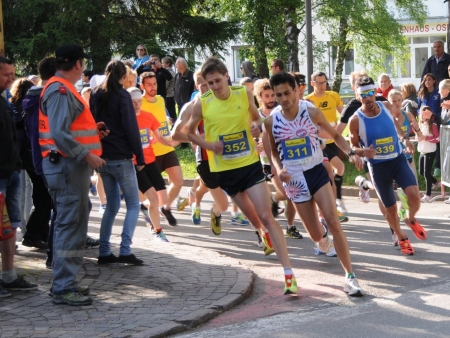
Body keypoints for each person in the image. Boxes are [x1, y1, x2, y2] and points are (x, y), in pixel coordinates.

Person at [188, 57, 297, 295]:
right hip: (225, 170)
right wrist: (209, 145)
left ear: (227, 76)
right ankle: (262, 234)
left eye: (217, 80)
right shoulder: (201, 102)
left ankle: (288, 273)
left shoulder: (242, 94)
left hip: (249, 163)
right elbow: (188, 133)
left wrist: (257, 127)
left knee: (266, 216)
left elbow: (257, 118)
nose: (215, 86)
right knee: (257, 222)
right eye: (210, 82)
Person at [266, 71, 364, 296]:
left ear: (297, 90)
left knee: (333, 221)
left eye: (287, 93)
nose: (284, 99)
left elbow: (336, 136)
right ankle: (322, 241)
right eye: (278, 95)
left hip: (317, 171)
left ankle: (350, 277)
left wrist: (350, 153)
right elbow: (272, 151)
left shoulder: (311, 112)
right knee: (315, 234)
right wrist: (279, 168)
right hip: (295, 181)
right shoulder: (272, 121)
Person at [39, 44, 105, 305]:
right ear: (78, 64)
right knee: (69, 224)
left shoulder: (61, 88)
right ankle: (63, 286)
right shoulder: (61, 89)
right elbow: (59, 133)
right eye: (83, 64)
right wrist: (87, 155)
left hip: (68, 167)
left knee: (75, 222)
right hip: (66, 168)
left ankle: (68, 282)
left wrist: (93, 133)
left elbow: (68, 130)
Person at [348, 75, 427, 255]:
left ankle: (411, 218)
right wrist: (362, 153)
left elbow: (396, 127)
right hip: (378, 166)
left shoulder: (385, 106)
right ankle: (401, 237)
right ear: (358, 96)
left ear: (375, 92)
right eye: (363, 95)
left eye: (370, 93)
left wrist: (405, 140)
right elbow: (353, 146)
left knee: (414, 195)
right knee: (389, 208)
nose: (368, 98)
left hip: (397, 160)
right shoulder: (356, 119)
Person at [90, 60, 145, 266]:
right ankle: (125, 249)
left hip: (102, 156)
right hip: (121, 156)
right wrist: (139, 156)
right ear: (123, 77)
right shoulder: (122, 96)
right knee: (132, 204)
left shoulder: (96, 93)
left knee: (111, 205)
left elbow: (92, 123)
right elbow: (131, 128)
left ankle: (104, 251)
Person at [0, 56, 38, 298]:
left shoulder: (4, 101)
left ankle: (9, 275)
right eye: (6, 74)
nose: (11, 77)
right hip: (1, 175)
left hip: (11, 172)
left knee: (10, 227)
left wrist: (15, 166)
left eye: (12, 73)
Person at [127, 87, 177, 241]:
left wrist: (170, 142)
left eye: (138, 102)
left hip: (150, 161)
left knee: (160, 199)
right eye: (133, 102)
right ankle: (158, 231)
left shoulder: (148, 117)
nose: (136, 105)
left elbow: (159, 137)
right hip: (136, 165)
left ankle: (147, 211)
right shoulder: (125, 119)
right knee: (154, 198)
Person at [139, 71, 186, 215]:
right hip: (150, 152)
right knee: (150, 190)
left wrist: (167, 119)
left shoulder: (160, 99)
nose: (153, 87)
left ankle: (164, 207)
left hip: (167, 147)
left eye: (154, 84)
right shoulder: (139, 103)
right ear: (142, 86)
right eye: (149, 85)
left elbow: (159, 115)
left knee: (178, 182)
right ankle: (148, 205)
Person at [305, 71, 347, 216]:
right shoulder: (308, 100)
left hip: (333, 140)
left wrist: (346, 123)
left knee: (340, 170)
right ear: (312, 84)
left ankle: (334, 199)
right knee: (335, 168)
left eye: (324, 82)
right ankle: (335, 203)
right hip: (319, 142)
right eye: (319, 83)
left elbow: (343, 113)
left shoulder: (333, 95)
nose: (322, 86)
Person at [418, 73, 441, 176]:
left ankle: (438, 166)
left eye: (429, 79)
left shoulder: (438, 92)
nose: (427, 82)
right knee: (427, 139)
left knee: (437, 141)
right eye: (425, 80)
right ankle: (428, 171)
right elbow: (419, 108)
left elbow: (441, 107)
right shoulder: (422, 93)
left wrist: (436, 117)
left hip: (436, 121)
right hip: (426, 122)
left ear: (434, 81)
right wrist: (422, 118)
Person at [417, 106, 440, 202]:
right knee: (421, 172)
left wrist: (425, 138)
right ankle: (435, 182)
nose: (422, 115)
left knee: (427, 173)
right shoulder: (421, 124)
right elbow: (420, 136)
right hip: (422, 150)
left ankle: (428, 195)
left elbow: (437, 138)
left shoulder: (433, 124)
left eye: (424, 113)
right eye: (421, 113)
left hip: (430, 151)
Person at [161, 56, 176, 124]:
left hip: (169, 95)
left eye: (163, 63)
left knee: (171, 113)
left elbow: (165, 85)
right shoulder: (172, 71)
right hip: (170, 95)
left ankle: (174, 127)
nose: (162, 64)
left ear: (168, 63)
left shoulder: (168, 73)